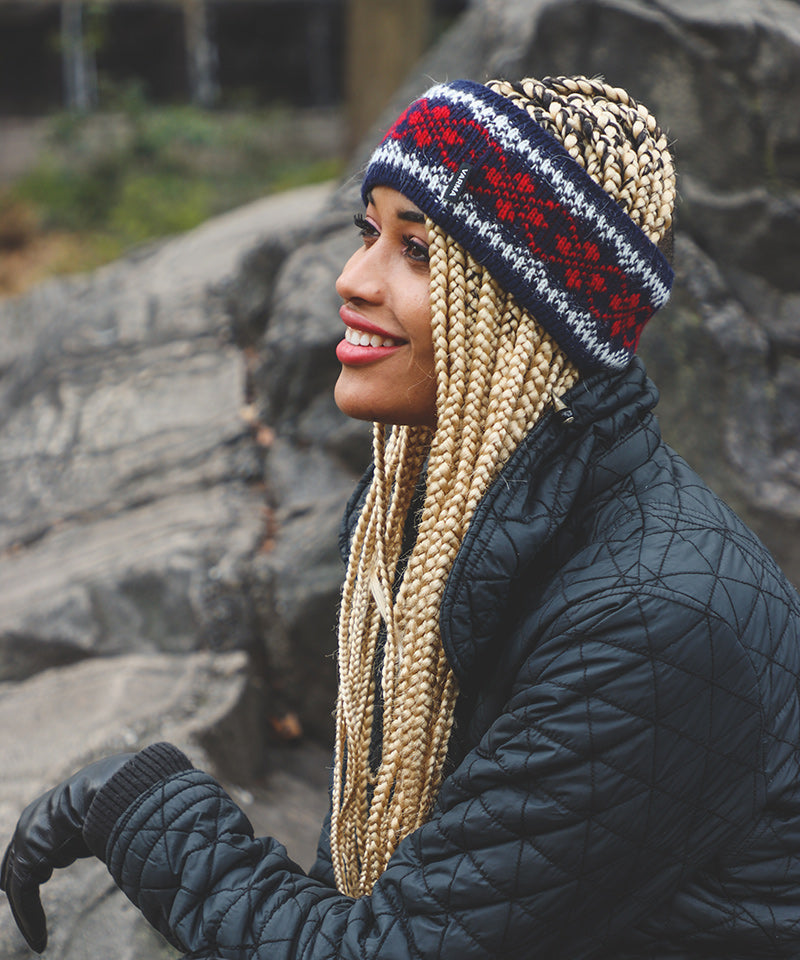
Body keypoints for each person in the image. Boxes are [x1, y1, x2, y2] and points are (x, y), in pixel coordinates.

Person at [3, 75, 800, 959]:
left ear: (531, 315)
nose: (352, 279)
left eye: (417, 250)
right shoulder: (426, 523)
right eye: (367, 231)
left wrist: (142, 807)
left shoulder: (653, 623)